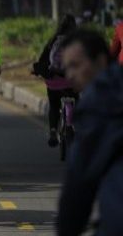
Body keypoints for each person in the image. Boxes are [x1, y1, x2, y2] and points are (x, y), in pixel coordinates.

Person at [57, 30, 122, 235]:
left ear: (101, 61)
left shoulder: (100, 103)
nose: (70, 75)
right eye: (67, 68)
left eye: (76, 65)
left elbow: (79, 184)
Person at [32, 14, 79, 147]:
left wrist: (38, 71)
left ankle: (53, 130)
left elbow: (43, 60)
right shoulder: (78, 41)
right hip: (72, 81)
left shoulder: (53, 41)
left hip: (54, 81)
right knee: (78, 100)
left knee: (54, 105)